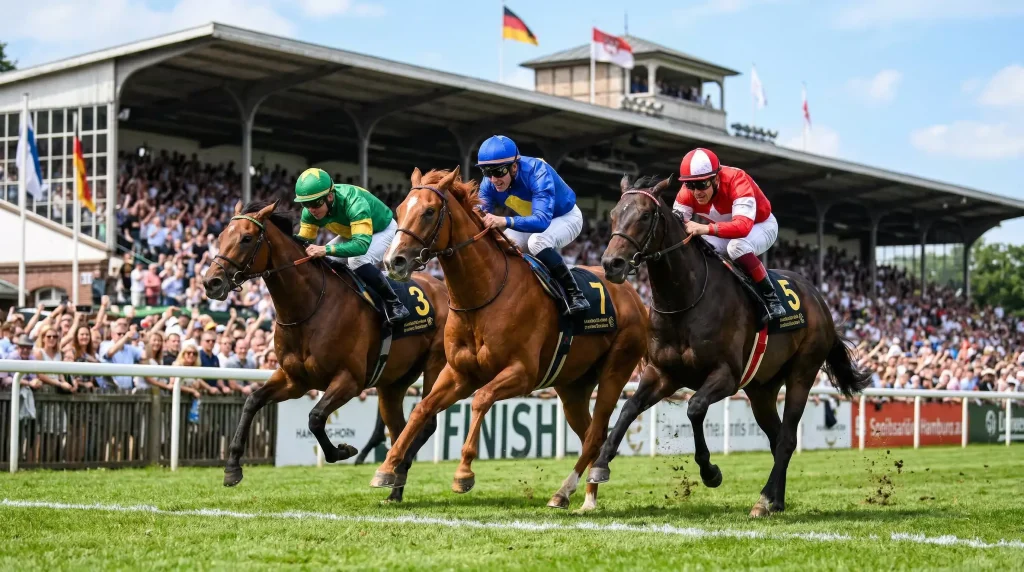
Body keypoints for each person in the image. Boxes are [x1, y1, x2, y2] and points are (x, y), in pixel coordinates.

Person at [475, 135, 589, 315]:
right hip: (533, 221)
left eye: (498, 171)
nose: (493, 179)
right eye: (486, 172)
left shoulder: (537, 171)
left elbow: (542, 221)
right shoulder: (489, 183)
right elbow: (477, 214)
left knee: (537, 241)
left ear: (514, 167)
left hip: (566, 217)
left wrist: (504, 220)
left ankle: (576, 295)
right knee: (505, 244)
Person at [672, 147, 786, 321]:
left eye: (702, 184)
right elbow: (676, 227)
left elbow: (743, 227)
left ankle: (772, 300)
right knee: (698, 246)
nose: (696, 192)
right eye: (690, 185)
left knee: (736, 247)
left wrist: (704, 228)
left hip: (761, 225)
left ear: (716, 178)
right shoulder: (686, 192)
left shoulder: (737, 180)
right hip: (726, 230)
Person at [293, 168, 410, 323]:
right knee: (327, 261)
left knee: (356, 260)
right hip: (352, 232)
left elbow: (360, 245)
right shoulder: (310, 211)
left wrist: (325, 249)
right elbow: (303, 241)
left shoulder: (354, 202)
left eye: (315, 203)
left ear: (329, 196)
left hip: (383, 229)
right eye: (305, 204)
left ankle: (395, 304)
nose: (311, 209)